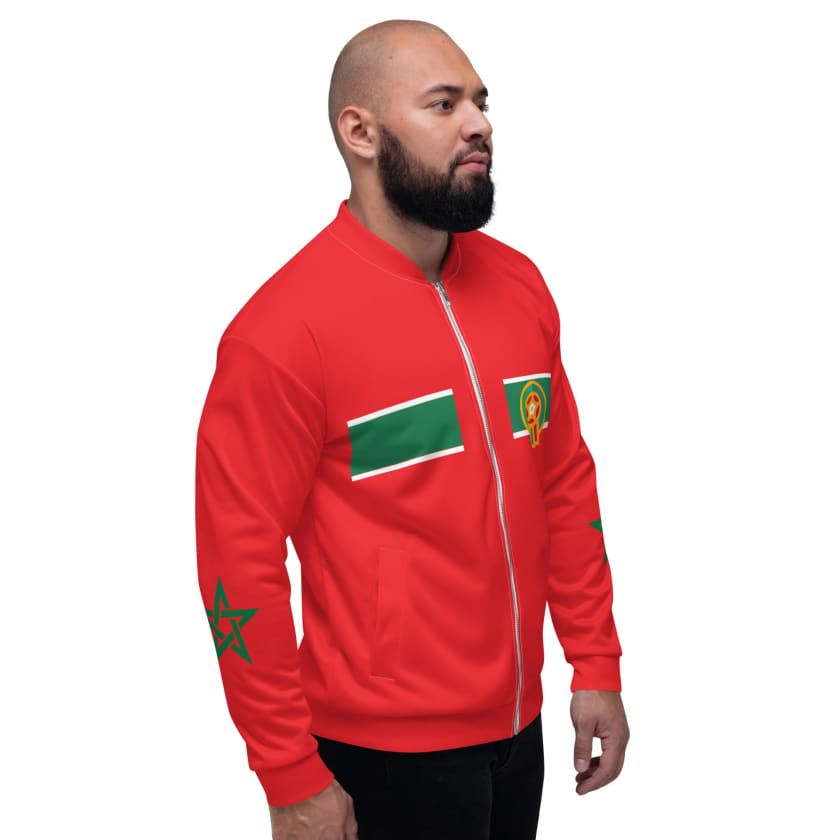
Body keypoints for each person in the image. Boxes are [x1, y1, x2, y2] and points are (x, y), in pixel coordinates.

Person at [195, 18, 629, 840]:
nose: (479, 124)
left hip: (520, 733)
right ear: (359, 132)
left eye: (481, 102)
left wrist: (594, 663)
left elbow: (564, 483)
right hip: (380, 758)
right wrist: (288, 774)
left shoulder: (521, 287)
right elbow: (237, 567)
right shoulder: (281, 333)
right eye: (443, 104)